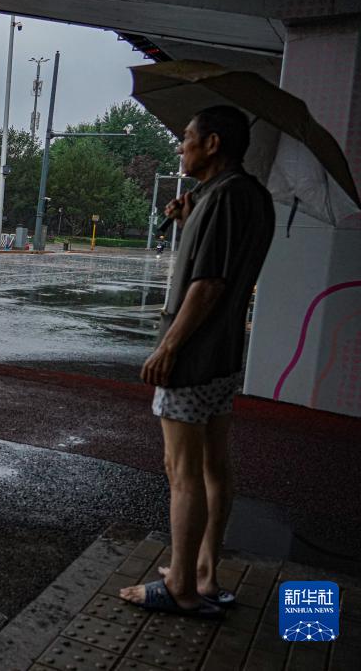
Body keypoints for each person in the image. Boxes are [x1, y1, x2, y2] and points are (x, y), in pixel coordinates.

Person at [119, 105, 275, 618]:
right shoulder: (250, 196)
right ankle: (206, 571)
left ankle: (181, 585)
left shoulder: (222, 199)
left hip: (194, 355)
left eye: (187, 138)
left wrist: (168, 348)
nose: (180, 147)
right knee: (214, 464)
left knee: (180, 470)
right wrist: (189, 221)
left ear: (212, 144)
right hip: (226, 353)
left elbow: (207, 285)